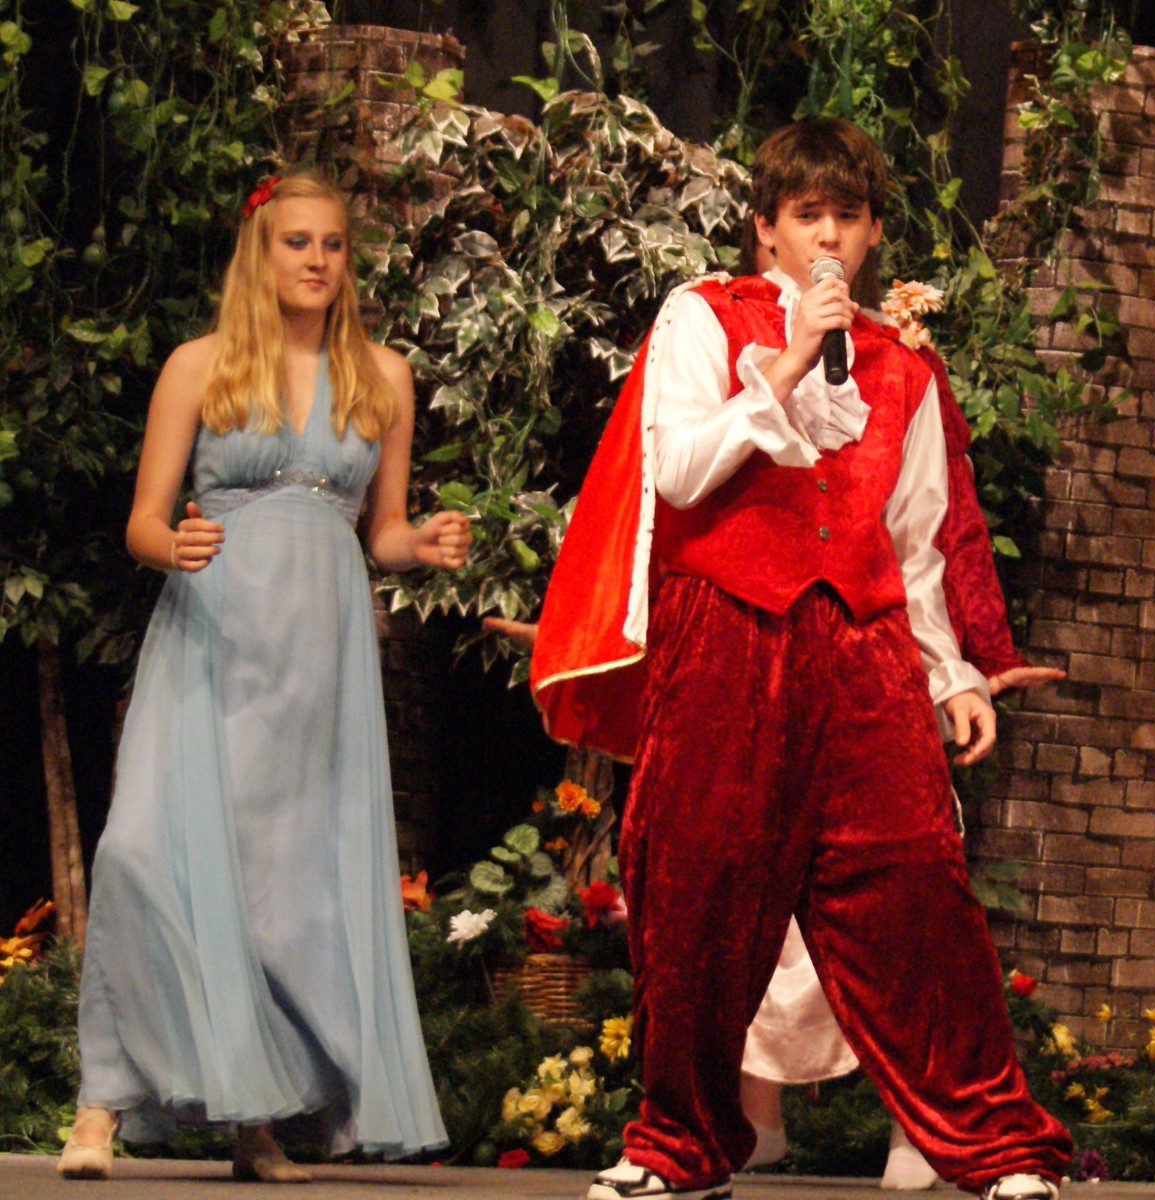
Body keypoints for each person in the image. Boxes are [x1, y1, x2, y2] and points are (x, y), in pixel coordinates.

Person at [530, 117, 1071, 1200]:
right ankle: (679, 1144)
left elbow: (914, 545)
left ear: (871, 233)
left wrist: (952, 674)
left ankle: (992, 1145)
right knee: (696, 887)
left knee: (914, 888)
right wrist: (781, 368)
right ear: (766, 229)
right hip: (726, 631)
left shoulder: (901, 368)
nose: (827, 236)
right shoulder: (702, 316)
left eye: (846, 217)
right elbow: (678, 471)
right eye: (805, 215)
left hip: (862, 645)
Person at [59, 172, 465, 1181]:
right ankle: (98, 1108)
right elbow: (143, 521)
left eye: (332, 243)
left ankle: (257, 1125)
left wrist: (420, 543)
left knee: (282, 890)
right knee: (142, 853)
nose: (317, 260)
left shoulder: (383, 376)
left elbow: (381, 532)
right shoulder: (200, 365)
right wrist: (173, 547)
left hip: (320, 660)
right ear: (261, 252)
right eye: (297, 242)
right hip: (212, 637)